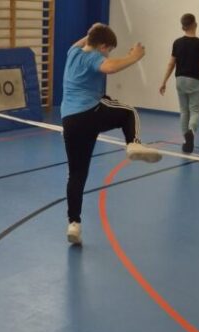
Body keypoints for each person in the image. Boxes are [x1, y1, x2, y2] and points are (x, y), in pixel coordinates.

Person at [62, 24, 161, 245]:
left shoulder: (73, 52)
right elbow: (109, 67)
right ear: (103, 46)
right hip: (89, 113)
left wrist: (92, 31)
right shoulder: (93, 58)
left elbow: (86, 41)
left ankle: (74, 223)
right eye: (109, 50)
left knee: (76, 174)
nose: (108, 54)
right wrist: (134, 57)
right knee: (129, 112)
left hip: (69, 121)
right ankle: (133, 143)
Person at [159, 13, 199, 153]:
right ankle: (191, 132)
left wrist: (164, 82)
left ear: (183, 27)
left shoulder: (177, 43)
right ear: (195, 24)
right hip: (194, 80)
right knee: (195, 110)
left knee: (183, 110)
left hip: (180, 80)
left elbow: (171, 64)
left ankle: (186, 140)